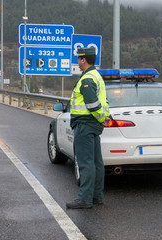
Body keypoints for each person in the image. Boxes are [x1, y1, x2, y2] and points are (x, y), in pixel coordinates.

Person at [66, 47, 111, 209]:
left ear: (84, 60)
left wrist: (101, 118)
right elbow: (103, 102)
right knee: (96, 162)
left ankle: (85, 198)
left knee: (85, 163)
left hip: (84, 124)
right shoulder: (96, 76)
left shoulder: (87, 79)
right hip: (93, 125)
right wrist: (105, 118)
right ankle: (96, 195)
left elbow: (92, 104)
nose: (77, 62)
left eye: (79, 59)